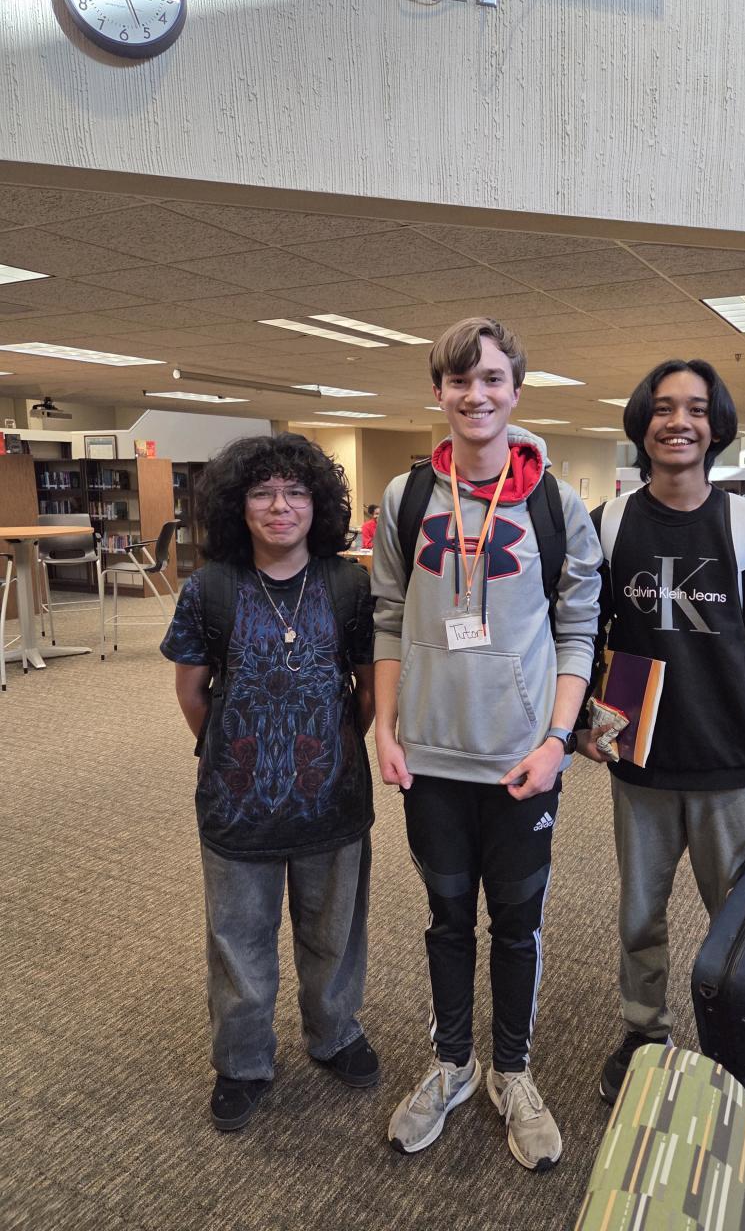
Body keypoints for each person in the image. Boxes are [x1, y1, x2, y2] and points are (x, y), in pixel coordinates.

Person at [372, 317, 601, 1171]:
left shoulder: (554, 503)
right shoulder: (405, 500)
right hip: (430, 757)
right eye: (460, 381)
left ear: (516, 391)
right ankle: (452, 1065)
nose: (477, 395)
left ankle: (513, 1071)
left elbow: (579, 629)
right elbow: (387, 618)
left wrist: (558, 741)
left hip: (521, 760)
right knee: (445, 920)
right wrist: (385, 727)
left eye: (493, 379)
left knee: (516, 924)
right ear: (439, 392)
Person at [579, 359, 745, 1137]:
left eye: (695, 408)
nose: (677, 421)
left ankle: (742, 1056)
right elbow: (583, 634)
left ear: (716, 427)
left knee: (738, 929)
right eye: (662, 407)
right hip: (641, 763)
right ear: (641, 422)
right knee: (639, 917)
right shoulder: (610, 523)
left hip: (731, 767)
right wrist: (582, 717)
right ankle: (644, 1034)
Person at [161, 433, 378, 1133]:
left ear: (319, 504)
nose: (280, 506)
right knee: (239, 942)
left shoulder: (349, 585)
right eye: (262, 492)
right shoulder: (210, 589)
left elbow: (368, 692)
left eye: (295, 491)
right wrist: (232, 754)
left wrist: (333, 748)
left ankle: (335, 1034)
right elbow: (192, 692)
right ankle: (243, 1060)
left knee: (334, 934)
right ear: (239, 505)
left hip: (332, 796)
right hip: (237, 803)